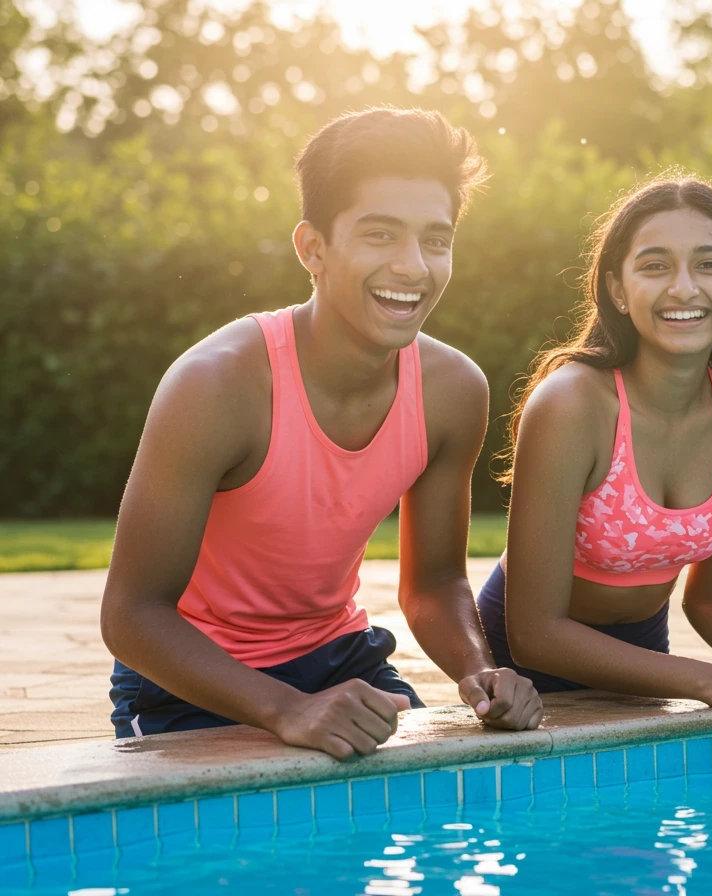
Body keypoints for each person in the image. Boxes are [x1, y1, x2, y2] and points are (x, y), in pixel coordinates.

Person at [101, 107, 542, 760]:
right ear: (312, 248)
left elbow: (434, 583)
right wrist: (286, 710)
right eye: (381, 235)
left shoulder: (453, 391)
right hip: (189, 680)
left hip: (338, 659)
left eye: (436, 240)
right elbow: (133, 617)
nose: (414, 267)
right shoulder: (217, 386)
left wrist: (476, 670)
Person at [479, 174, 712, 744]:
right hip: (526, 666)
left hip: (646, 652)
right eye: (655, 266)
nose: (684, 288)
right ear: (618, 289)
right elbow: (536, 632)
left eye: (709, 265)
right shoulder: (572, 406)